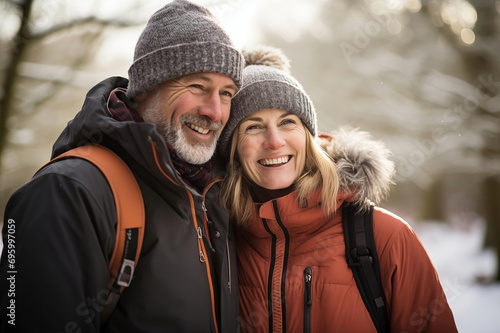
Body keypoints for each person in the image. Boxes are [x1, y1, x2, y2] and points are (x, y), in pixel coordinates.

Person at [0, 1, 244, 332]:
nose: (215, 111)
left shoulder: (215, 193)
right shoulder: (69, 193)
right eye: (198, 86)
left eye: (227, 93)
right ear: (147, 86)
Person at [218, 46, 458, 332]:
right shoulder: (220, 240)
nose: (274, 141)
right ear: (232, 149)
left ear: (309, 138)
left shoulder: (385, 237)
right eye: (253, 127)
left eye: (288, 122)